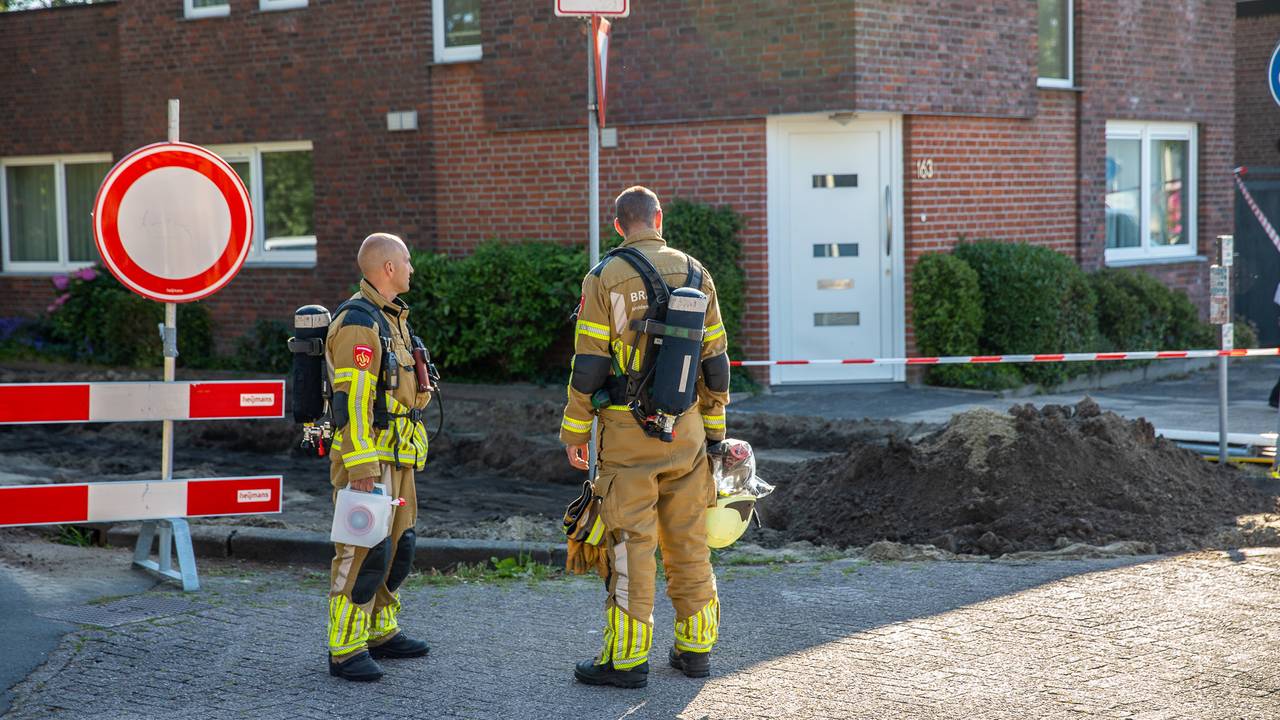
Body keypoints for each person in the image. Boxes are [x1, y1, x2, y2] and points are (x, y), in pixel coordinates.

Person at [560, 186, 732, 689]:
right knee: (689, 542)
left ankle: (627, 662)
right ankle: (696, 650)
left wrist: (574, 429)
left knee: (631, 545)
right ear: (659, 217)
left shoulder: (604, 277)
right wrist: (715, 435)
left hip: (626, 431)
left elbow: (589, 363)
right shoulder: (698, 273)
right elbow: (716, 364)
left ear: (618, 226)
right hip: (689, 431)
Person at [324, 232, 432, 682]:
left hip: (399, 456)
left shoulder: (393, 319)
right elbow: (353, 403)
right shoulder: (358, 323)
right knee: (362, 552)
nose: (412, 269)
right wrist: (363, 468)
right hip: (369, 461)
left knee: (397, 549)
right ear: (387, 268)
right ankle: (345, 647)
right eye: (406, 261)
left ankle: (380, 632)